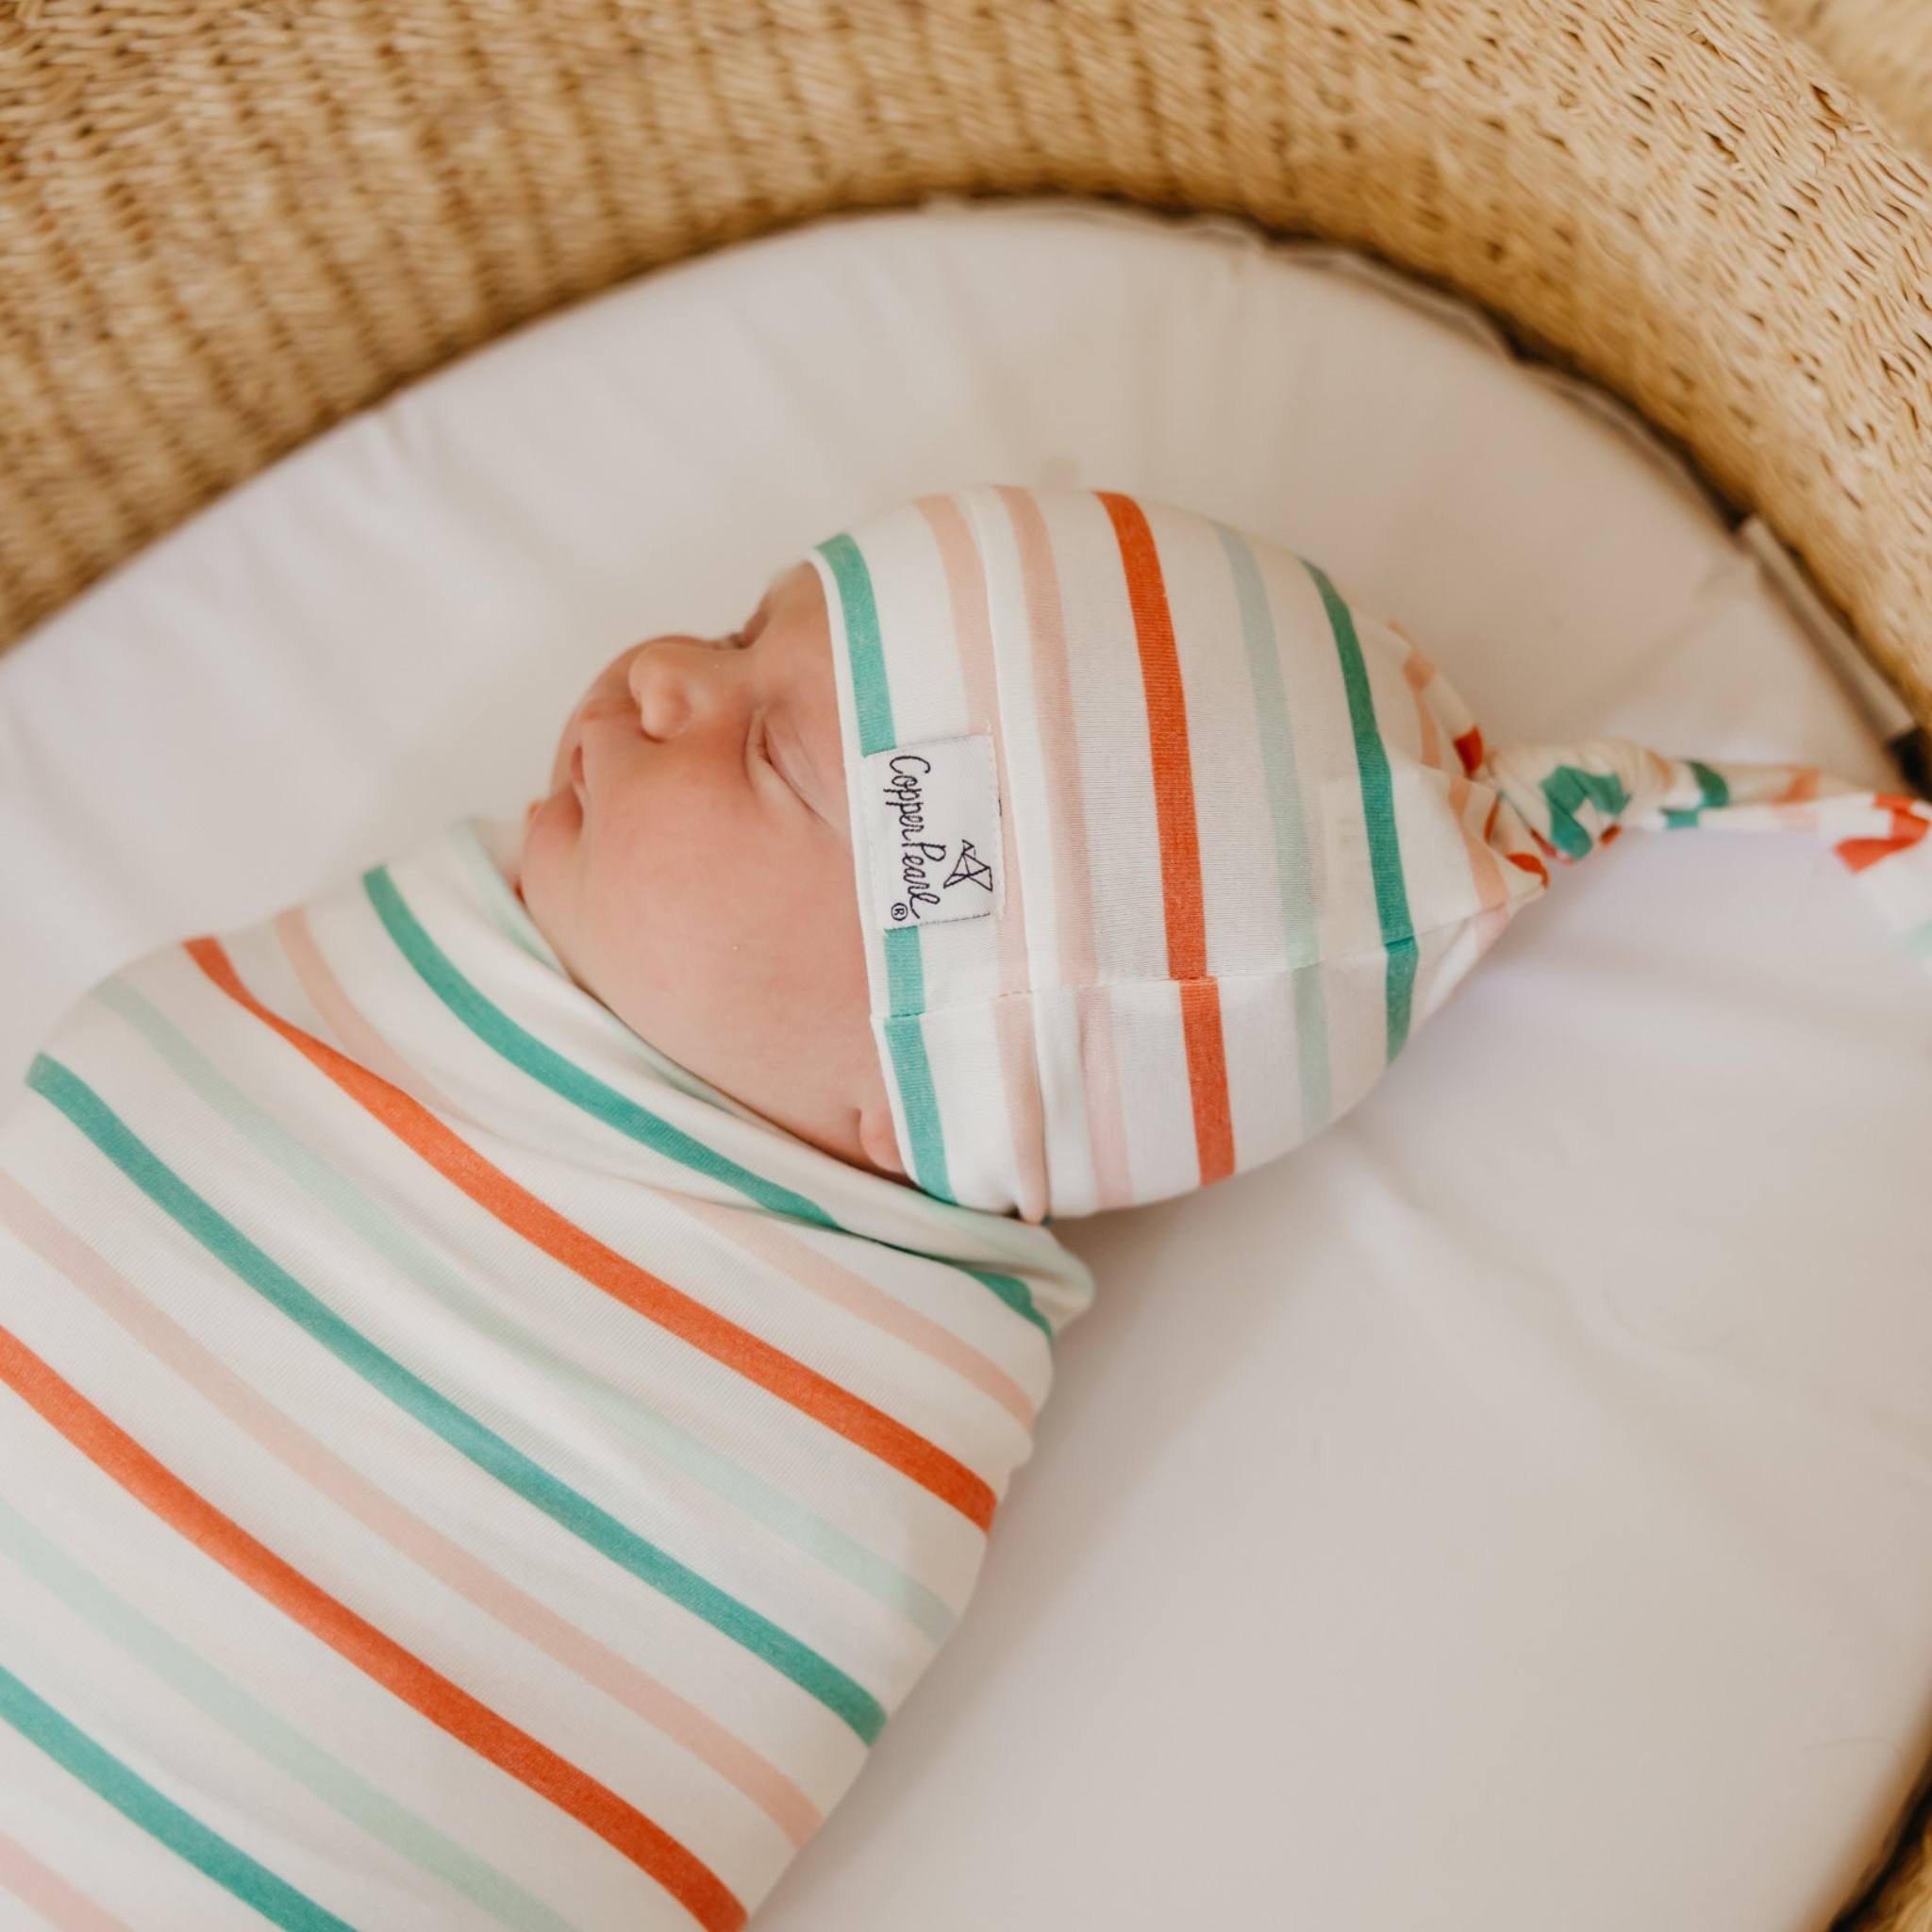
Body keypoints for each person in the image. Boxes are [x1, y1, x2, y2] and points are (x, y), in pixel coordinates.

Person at [1, 485, 1925, 1930]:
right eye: (746, 634)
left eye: (766, 747)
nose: (660, 672)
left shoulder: (816, 1397)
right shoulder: (399, 999)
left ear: (922, 1084)